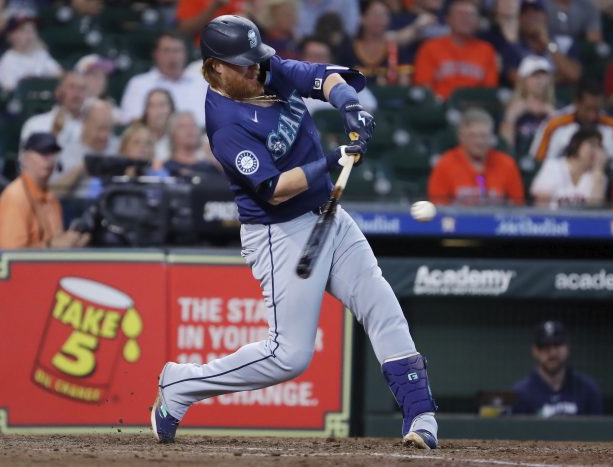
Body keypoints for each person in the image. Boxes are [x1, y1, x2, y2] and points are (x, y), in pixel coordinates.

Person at [151, 15, 439, 450]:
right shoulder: (226, 124)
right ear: (215, 68)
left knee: (381, 304)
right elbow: (275, 189)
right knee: (289, 356)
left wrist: (349, 106)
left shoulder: (265, 69)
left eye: (255, 59)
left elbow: (324, 78)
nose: (254, 68)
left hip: (328, 215)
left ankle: (421, 414)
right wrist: (333, 159)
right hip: (280, 232)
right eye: (243, 63)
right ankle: (182, 385)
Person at [0, 132, 90, 248]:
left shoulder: (51, 197)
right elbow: (9, 252)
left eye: (52, 152)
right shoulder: (15, 196)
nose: (48, 158)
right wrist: (51, 246)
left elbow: (55, 240)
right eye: (42, 152)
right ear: (25, 158)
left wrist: (73, 242)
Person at [428, 108, 525, 205]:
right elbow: (438, 206)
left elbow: (517, 205)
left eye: (484, 136)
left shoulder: (507, 164)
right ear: (461, 137)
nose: (479, 142)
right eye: (473, 136)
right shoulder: (445, 165)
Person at [512, 320, 603, 417]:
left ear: (568, 348)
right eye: (545, 346)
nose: (552, 353)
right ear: (535, 351)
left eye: (557, 345)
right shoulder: (520, 393)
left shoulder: (587, 389)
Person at [413, 0, 498, 100]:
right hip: (440, 104)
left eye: (471, 14)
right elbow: (424, 86)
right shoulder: (430, 47)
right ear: (448, 19)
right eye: (460, 14)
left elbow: (489, 90)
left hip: (474, 105)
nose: (466, 18)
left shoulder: (486, 50)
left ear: (477, 21)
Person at [120, 32, 208, 127]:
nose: (172, 56)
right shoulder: (139, 84)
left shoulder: (202, 83)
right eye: (166, 51)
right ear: (156, 54)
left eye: (176, 51)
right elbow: (131, 120)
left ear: (185, 54)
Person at [529, 80, 613, 162]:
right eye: (587, 109)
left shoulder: (611, 125)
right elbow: (537, 163)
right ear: (577, 103)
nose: (592, 116)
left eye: (596, 110)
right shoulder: (554, 124)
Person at [51, 99, 118, 198]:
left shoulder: (119, 148)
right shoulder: (65, 152)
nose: (104, 136)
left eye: (108, 129)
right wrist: (82, 168)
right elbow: (52, 194)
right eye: (99, 129)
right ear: (85, 124)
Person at [338, 0, 414, 86]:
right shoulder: (348, 50)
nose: (380, 20)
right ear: (362, 18)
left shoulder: (397, 50)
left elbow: (404, 85)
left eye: (384, 15)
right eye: (376, 15)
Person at [530, 127, 608, 207]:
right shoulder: (553, 167)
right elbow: (541, 204)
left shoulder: (599, 177)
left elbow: (595, 208)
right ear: (577, 144)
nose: (596, 151)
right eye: (592, 145)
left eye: (599, 147)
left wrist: (598, 171)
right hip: (554, 214)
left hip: (582, 216)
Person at [499, 55, 556, 157]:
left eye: (543, 75)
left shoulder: (557, 107)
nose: (540, 80)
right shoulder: (512, 108)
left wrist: (554, 118)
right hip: (519, 159)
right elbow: (505, 148)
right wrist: (510, 118)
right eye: (534, 75)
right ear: (523, 80)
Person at [0, 14, 62, 92]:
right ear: (10, 36)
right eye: (23, 30)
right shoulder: (6, 62)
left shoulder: (41, 54)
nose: (30, 34)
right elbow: (11, 92)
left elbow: (59, 75)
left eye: (32, 29)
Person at [20, 71, 87, 149]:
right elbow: (29, 155)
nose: (77, 93)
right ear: (58, 91)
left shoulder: (92, 128)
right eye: (71, 87)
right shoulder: (36, 124)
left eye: (82, 88)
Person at [138, 88, 175, 164]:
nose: (157, 111)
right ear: (146, 111)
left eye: (162, 105)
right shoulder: (136, 139)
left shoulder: (180, 140)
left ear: (171, 109)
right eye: (152, 106)